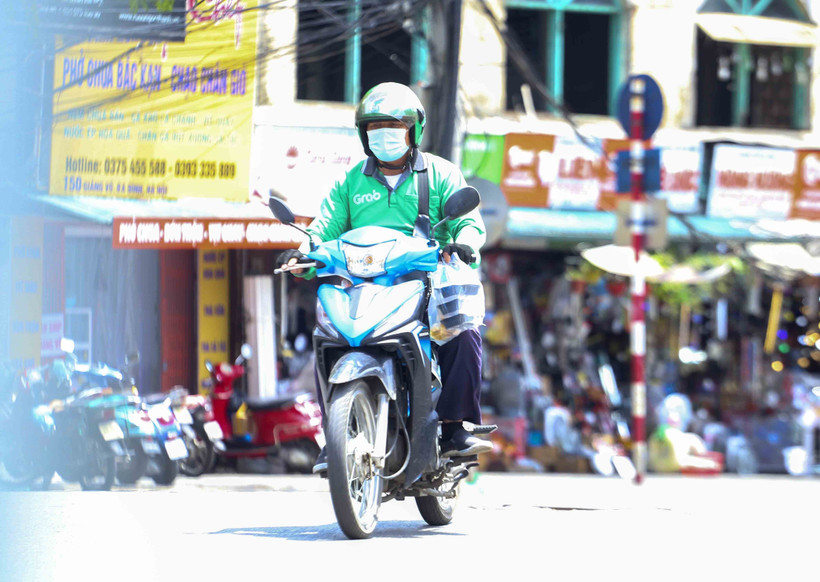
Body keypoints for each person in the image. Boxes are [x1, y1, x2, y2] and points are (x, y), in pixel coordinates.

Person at [276, 82, 491, 473]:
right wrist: (304, 254)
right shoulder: (349, 182)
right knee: (326, 340)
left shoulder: (440, 174)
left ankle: (457, 426)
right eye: (375, 127)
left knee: (464, 331)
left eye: (394, 126)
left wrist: (463, 243)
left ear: (414, 131)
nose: (384, 135)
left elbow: (468, 222)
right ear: (363, 135)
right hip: (362, 288)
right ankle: (335, 436)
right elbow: (324, 229)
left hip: (425, 285)